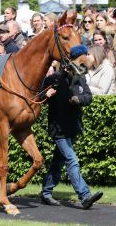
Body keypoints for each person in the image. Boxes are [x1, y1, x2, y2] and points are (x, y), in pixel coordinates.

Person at [40, 45, 103, 209]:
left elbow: (88, 97)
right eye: (85, 55)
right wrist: (45, 95)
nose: (88, 58)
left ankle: (46, 192)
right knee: (72, 160)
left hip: (71, 128)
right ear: (78, 57)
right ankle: (85, 196)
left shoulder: (80, 78)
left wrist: (78, 99)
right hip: (58, 128)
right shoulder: (55, 79)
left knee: (58, 161)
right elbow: (38, 94)